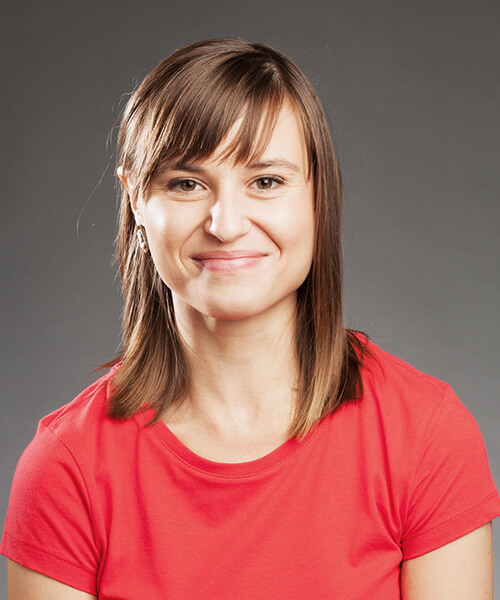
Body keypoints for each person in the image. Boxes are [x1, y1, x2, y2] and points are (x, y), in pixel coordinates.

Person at [1, 38, 499, 599]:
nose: (226, 224)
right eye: (186, 184)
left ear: (318, 195)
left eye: (266, 182)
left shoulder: (425, 434)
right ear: (136, 200)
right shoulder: (65, 468)